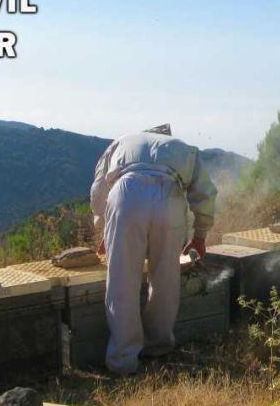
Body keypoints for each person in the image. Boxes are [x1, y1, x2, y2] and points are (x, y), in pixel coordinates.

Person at [90, 124, 217, 375]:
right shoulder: (185, 149)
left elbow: (98, 191)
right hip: (169, 198)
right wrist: (200, 236)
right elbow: (206, 194)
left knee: (121, 281)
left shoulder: (122, 141)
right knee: (165, 279)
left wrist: (104, 228)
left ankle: (123, 361)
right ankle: (158, 348)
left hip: (125, 195)